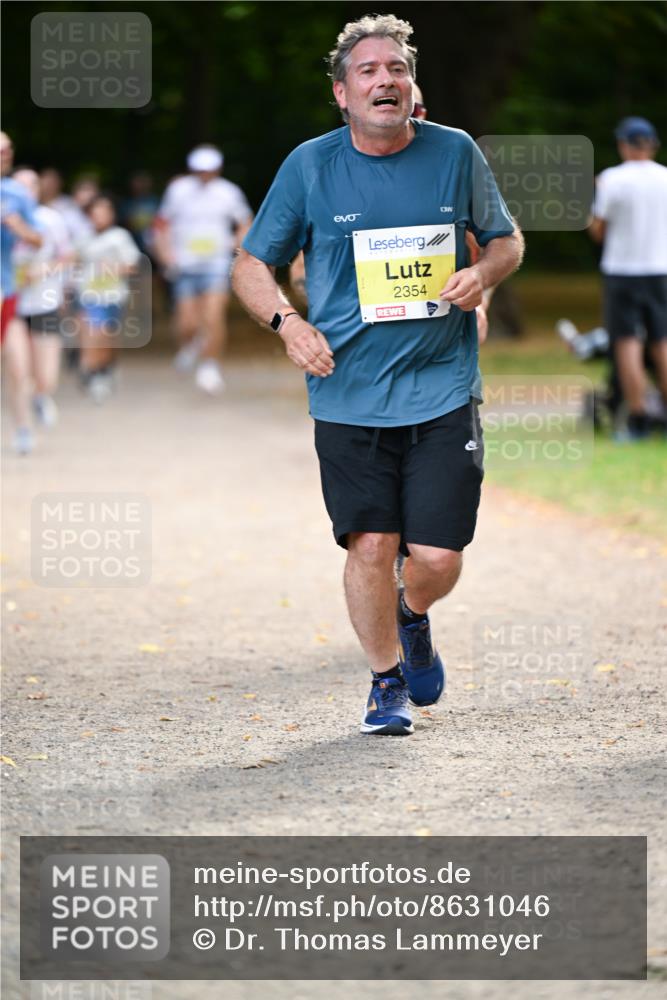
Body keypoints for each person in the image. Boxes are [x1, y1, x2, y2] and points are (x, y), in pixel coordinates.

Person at [233, 15, 523, 735]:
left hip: (442, 385)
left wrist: (481, 274)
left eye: (394, 68)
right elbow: (250, 265)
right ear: (341, 92)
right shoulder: (309, 165)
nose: (383, 80)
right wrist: (287, 324)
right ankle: (385, 682)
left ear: (410, 83)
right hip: (347, 392)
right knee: (370, 543)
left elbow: (506, 240)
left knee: (436, 557)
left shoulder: (453, 152)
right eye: (366, 71)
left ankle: (412, 611)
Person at [589, 116, 667, 441]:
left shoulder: (611, 180)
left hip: (622, 271)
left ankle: (638, 417)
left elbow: (598, 231)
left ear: (624, 145)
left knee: (627, 343)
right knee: (662, 342)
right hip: (661, 269)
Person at [154, 145, 253, 394]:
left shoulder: (228, 192)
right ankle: (191, 345)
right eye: (200, 170)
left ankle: (210, 365)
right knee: (186, 321)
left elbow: (244, 222)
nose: (204, 175)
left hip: (216, 263)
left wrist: (240, 247)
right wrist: (165, 254)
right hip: (184, 264)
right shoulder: (178, 191)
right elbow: (162, 223)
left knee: (213, 316)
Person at [12, 168, 72, 429]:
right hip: (12, 306)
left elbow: (67, 257)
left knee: (46, 377)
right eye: (19, 186)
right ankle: (23, 428)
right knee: (18, 372)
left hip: (44, 303)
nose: (26, 191)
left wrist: (42, 271)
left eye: (31, 186)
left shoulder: (51, 220)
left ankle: (41, 396)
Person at [75, 194, 140, 403]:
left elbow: (132, 266)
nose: (99, 217)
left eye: (104, 212)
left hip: (112, 296)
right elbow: (73, 262)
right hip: (88, 295)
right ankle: (93, 373)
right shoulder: (82, 239)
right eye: (95, 213)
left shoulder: (120, 237)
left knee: (107, 338)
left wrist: (114, 268)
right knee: (93, 334)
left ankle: (105, 367)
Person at [1, 133, 43, 454]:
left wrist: (18, 228)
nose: (4, 155)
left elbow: (38, 240)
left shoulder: (17, 194)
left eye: (7, 150)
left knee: (17, 364)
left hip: (6, 289)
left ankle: (24, 427)